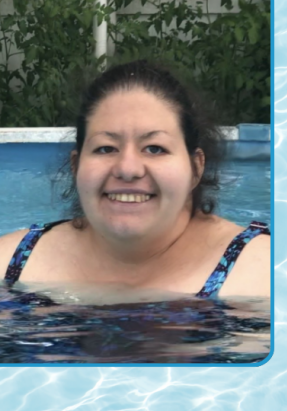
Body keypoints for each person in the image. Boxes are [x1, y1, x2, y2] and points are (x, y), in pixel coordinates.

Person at [0, 60, 270, 300]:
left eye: (155, 148)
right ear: (76, 166)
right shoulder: (9, 266)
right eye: (105, 148)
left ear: (195, 169)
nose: (128, 169)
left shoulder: (264, 273)